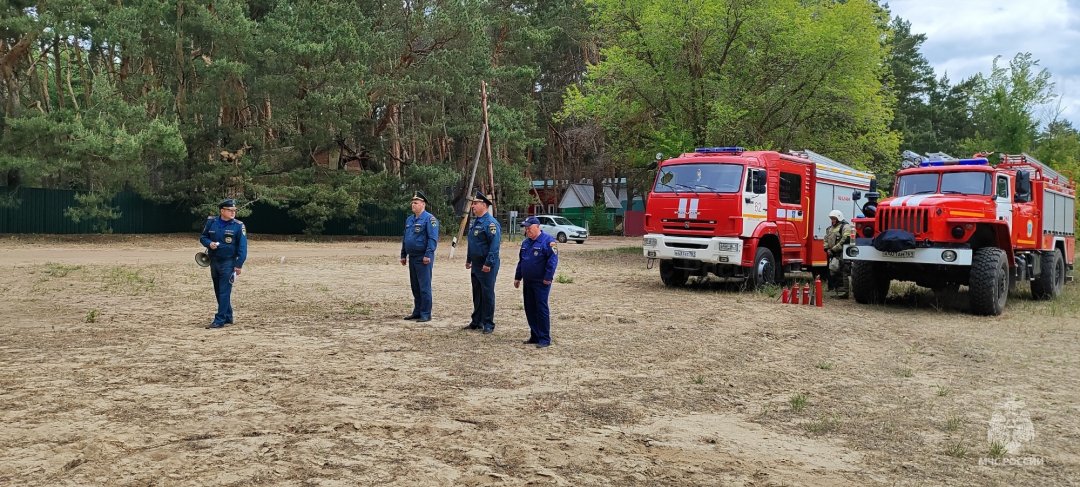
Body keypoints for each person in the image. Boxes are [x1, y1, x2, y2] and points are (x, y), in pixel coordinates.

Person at [199, 199, 248, 329]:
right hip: (213, 260)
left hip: (229, 262)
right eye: (230, 210)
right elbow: (203, 237)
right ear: (222, 211)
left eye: (234, 210)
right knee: (218, 290)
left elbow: (243, 247)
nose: (233, 212)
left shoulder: (238, 226)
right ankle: (228, 316)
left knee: (224, 291)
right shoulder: (212, 222)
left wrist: (239, 264)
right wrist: (209, 243)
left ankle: (219, 320)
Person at [514, 216, 559, 348]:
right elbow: (521, 261)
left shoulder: (548, 242)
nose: (527, 230)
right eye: (526, 228)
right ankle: (535, 335)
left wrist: (548, 277)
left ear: (538, 227)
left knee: (541, 308)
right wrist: (518, 277)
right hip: (528, 281)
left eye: (530, 228)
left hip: (541, 282)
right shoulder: (526, 243)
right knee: (530, 308)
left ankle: (544, 338)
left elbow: (552, 261)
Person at [463, 191, 501, 334]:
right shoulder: (475, 222)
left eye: (475, 203)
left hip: (486, 266)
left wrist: (489, 263)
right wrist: (468, 259)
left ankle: (488, 323)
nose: (472, 206)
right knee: (477, 293)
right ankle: (477, 321)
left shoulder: (491, 223)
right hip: (476, 264)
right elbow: (472, 242)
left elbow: (494, 246)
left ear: (484, 205)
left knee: (487, 293)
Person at [400, 190, 439, 322]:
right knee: (415, 286)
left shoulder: (429, 219)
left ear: (423, 204)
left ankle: (425, 313)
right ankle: (417, 311)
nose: (413, 205)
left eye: (416, 203)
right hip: (412, 257)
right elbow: (406, 238)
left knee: (424, 287)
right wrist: (403, 254)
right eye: (412, 203)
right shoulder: (410, 219)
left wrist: (428, 254)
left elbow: (432, 239)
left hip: (423, 258)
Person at [824, 209, 852, 298]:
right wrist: (827, 249)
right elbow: (826, 239)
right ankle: (837, 290)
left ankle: (844, 292)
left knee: (843, 272)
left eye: (834, 218)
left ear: (839, 218)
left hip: (842, 253)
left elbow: (845, 240)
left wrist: (834, 249)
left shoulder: (846, 227)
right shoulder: (830, 228)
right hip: (833, 254)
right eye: (831, 218)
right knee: (833, 271)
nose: (832, 220)